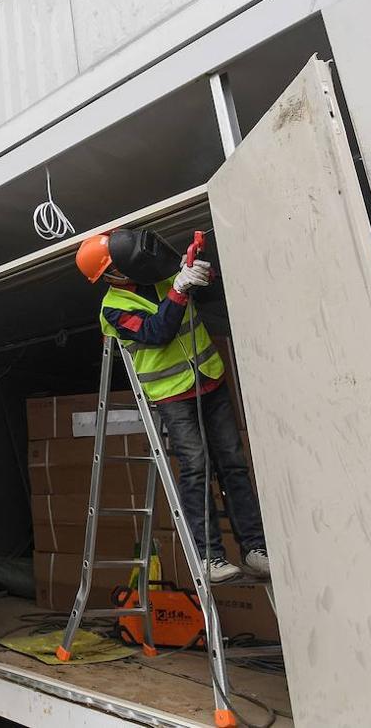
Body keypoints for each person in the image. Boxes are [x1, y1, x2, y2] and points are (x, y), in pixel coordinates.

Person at [76, 230, 269, 583]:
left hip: (210, 377)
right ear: (109, 275)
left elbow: (211, 295)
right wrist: (180, 288)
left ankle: (256, 549)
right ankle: (211, 557)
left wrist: (200, 274)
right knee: (196, 466)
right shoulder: (114, 309)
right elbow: (156, 332)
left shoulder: (162, 275)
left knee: (234, 464)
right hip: (172, 395)